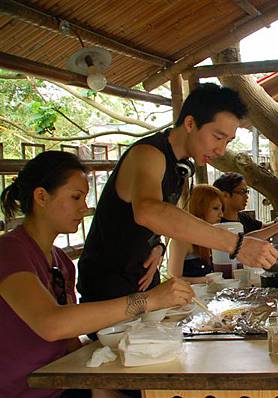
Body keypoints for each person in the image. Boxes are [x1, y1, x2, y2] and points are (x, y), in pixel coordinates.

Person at [0, 151, 193, 398]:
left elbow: (69, 341)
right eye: (76, 197)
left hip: (64, 383)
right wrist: (149, 301)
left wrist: (99, 381)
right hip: (27, 391)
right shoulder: (10, 252)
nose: (84, 207)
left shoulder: (61, 261)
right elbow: (51, 323)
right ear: (41, 197)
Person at [77, 83, 278, 304]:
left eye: (227, 142)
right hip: (108, 291)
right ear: (190, 123)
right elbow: (148, 211)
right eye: (217, 137)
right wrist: (236, 244)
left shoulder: (180, 167)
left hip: (142, 285)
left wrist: (157, 245)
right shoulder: (148, 154)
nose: (221, 150)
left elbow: (156, 221)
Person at [212, 172, 278, 238]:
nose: (246, 197)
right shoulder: (217, 222)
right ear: (225, 195)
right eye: (242, 192)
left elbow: (261, 228)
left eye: (247, 192)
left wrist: (277, 222)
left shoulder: (243, 217)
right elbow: (241, 242)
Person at [168, 185, 224, 283]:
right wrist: (203, 280)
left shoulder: (211, 236)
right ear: (200, 208)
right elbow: (173, 278)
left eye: (222, 209)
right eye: (215, 208)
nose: (221, 214)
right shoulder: (181, 240)